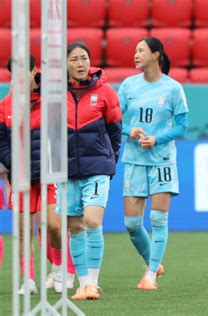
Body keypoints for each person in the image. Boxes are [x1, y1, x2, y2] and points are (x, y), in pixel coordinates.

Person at [0, 56, 76, 294]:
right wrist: (13, 162)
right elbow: (3, 141)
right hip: (21, 177)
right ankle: (29, 280)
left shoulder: (51, 97)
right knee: (23, 230)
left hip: (49, 173)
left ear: (34, 70)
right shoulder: (6, 105)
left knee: (53, 224)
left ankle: (59, 270)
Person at [118, 37, 188, 290]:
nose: (135, 54)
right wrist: (130, 131)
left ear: (156, 54)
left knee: (158, 220)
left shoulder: (172, 88)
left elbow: (182, 126)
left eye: (140, 50)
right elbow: (115, 119)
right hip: (134, 160)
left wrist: (158, 138)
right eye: (134, 50)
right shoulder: (128, 85)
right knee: (132, 224)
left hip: (162, 160)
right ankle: (153, 263)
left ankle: (149, 276)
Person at [59, 43, 122, 300]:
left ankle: (93, 284)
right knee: (74, 227)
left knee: (93, 222)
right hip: (66, 170)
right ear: (65, 64)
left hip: (96, 168)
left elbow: (115, 132)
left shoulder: (105, 92)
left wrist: (109, 161)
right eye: (74, 59)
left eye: (84, 58)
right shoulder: (54, 93)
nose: (80, 63)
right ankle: (82, 284)